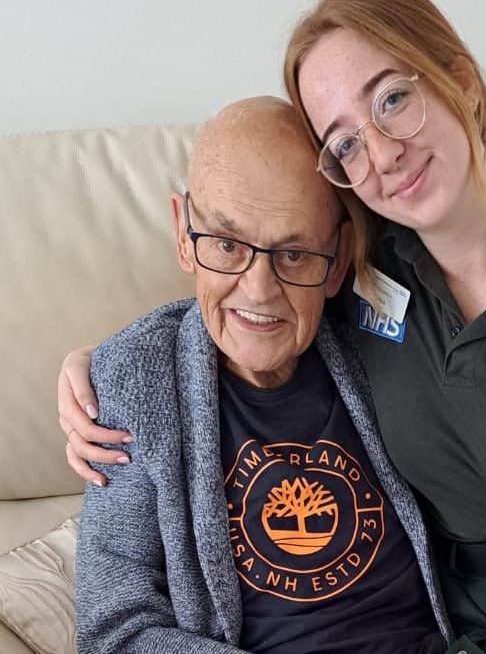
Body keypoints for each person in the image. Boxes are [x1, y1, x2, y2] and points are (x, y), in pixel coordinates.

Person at [59, 0, 486, 653]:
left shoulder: (399, 300)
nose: (259, 288)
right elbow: (113, 626)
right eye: (344, 142)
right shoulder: (151, 377)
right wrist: (96, 368)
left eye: (393, 100)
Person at [73, 97, 448, 654]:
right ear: (183, 233)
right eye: (227, 245)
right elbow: (113, 630)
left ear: (338, 256)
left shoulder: (380, 338)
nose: (259, 290)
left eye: (294, 254)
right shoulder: (137, 382)